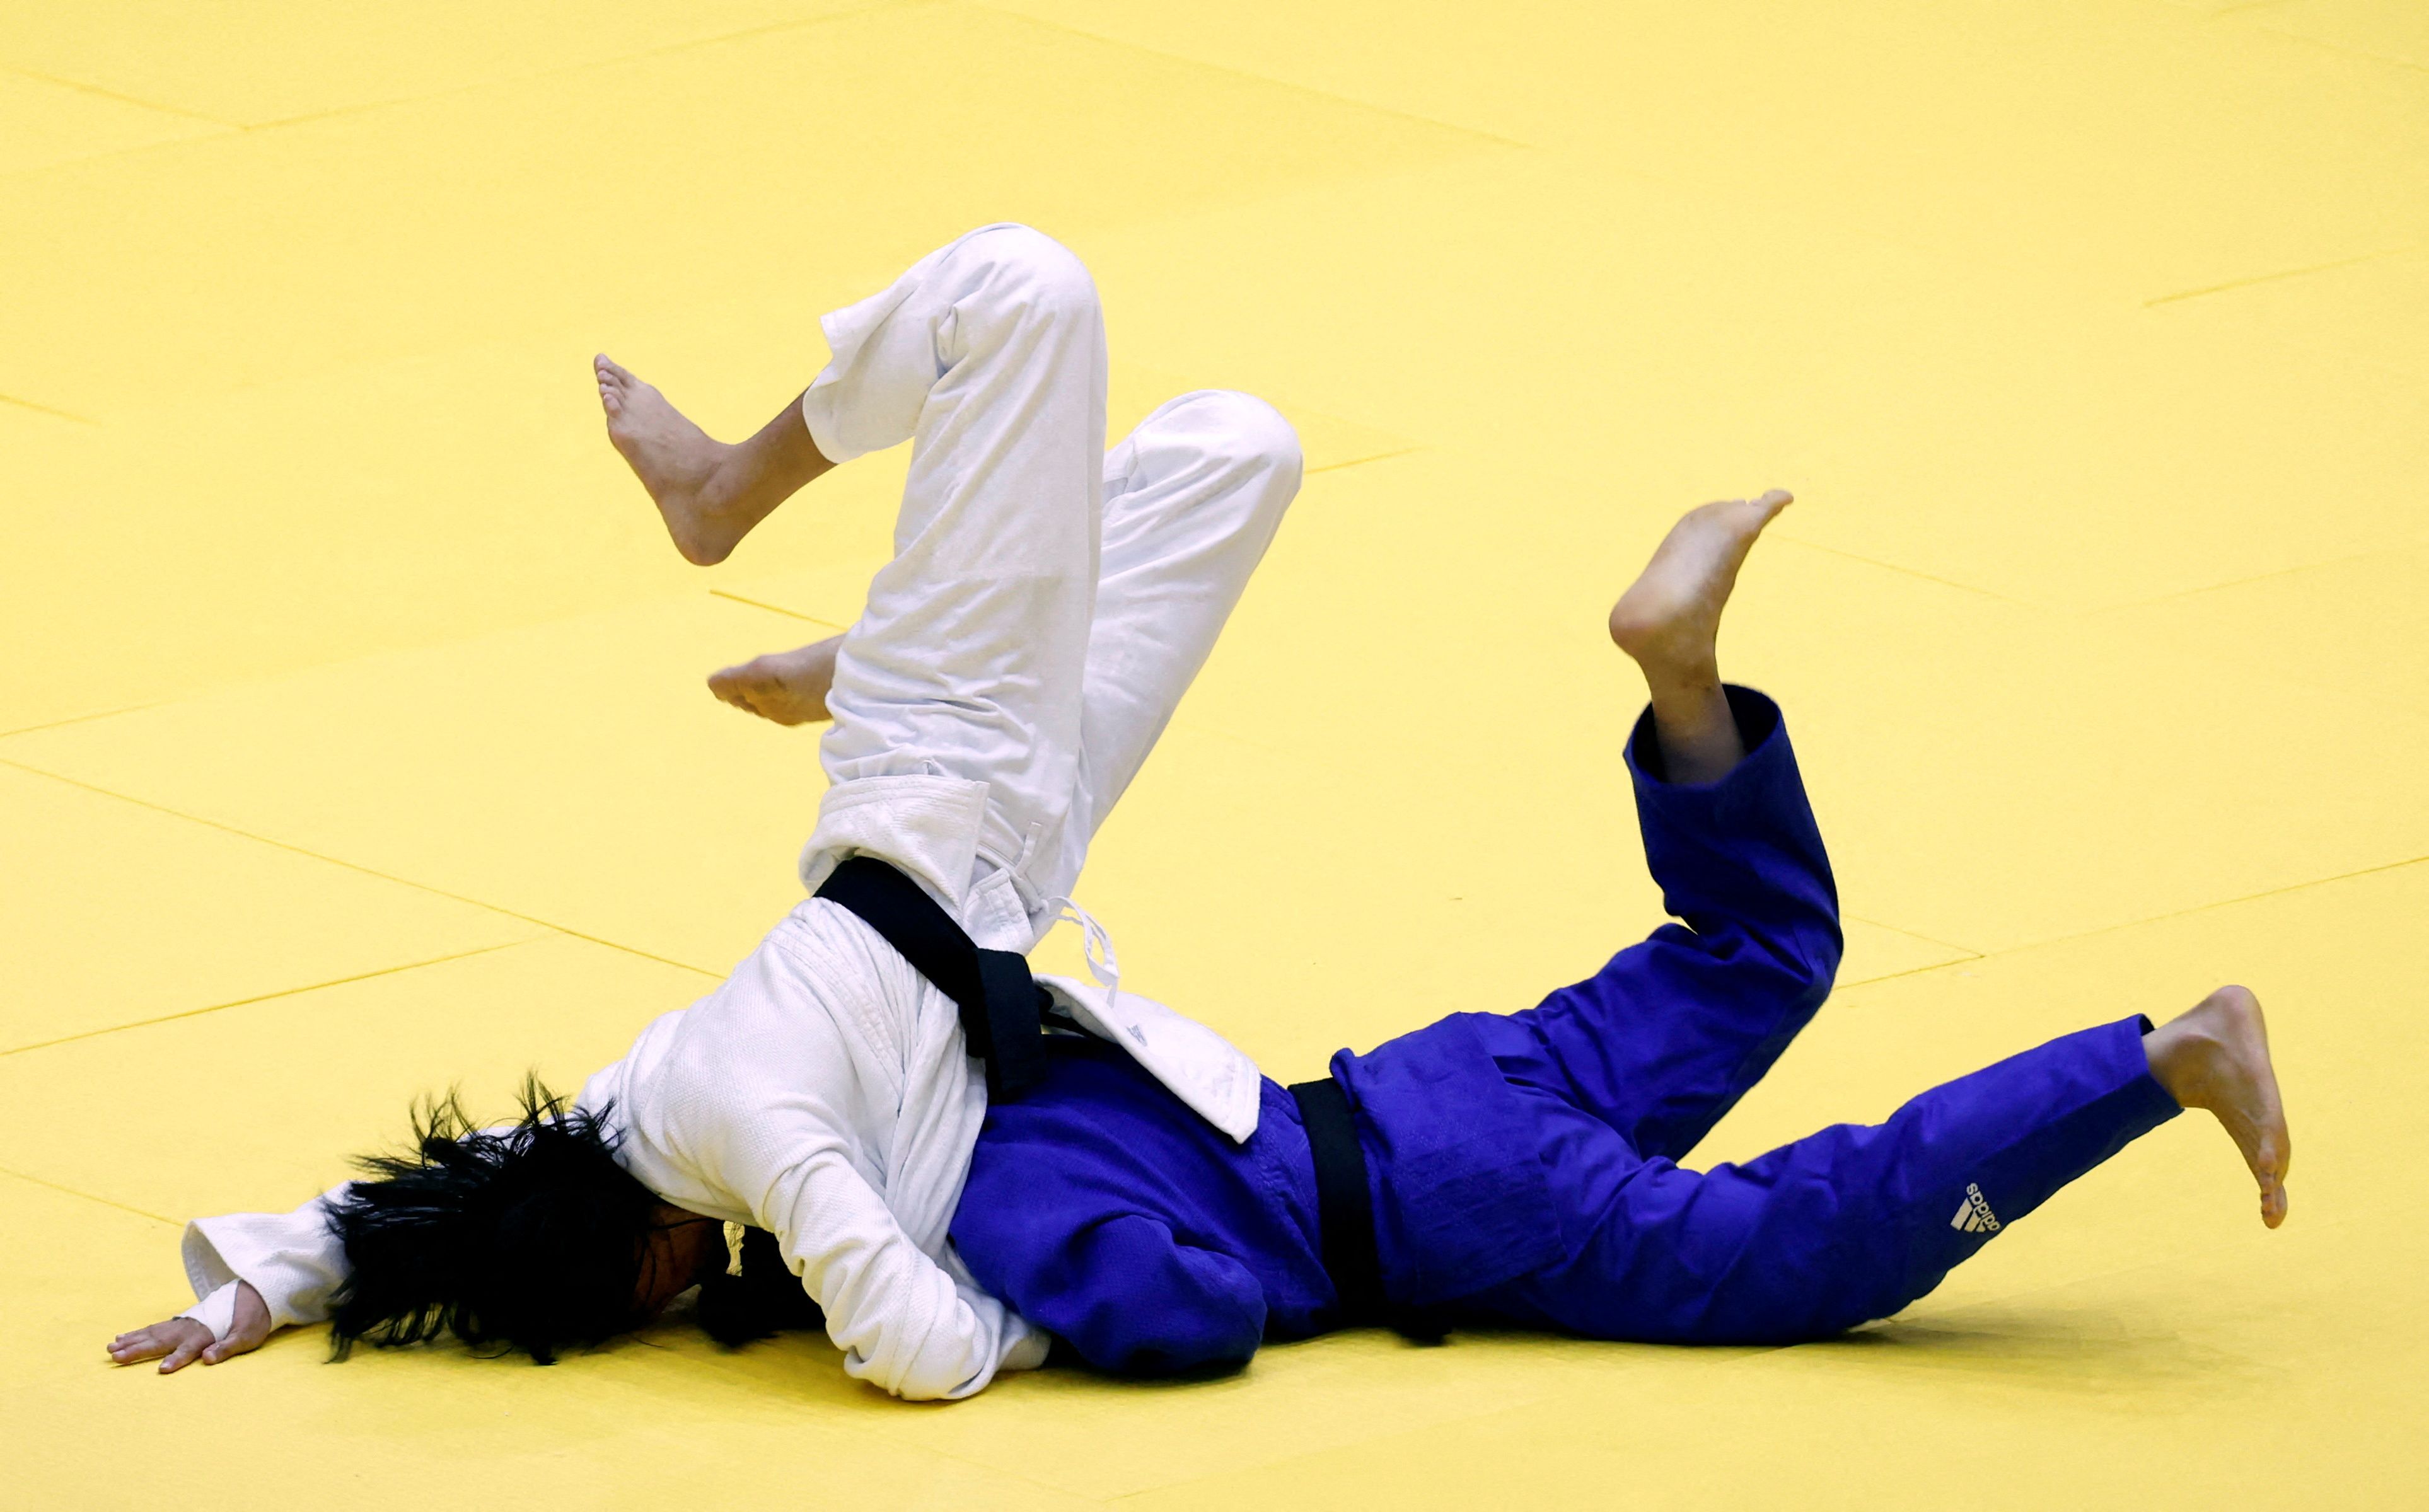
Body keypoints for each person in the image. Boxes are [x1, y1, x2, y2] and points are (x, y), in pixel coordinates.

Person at [111, 478, 2293, 1383]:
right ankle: (1681, 687)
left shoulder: (939, 1192)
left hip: (1451, 1215)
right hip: (1430, 1076)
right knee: (1753, 966)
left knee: (1796, 1260)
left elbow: (1173, 1325)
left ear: (664, 1252)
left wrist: (1013, 1330)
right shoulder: (777, 1084)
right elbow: (518, 1174)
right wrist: (281, 1280)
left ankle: (2154, 1059)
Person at [105, 223, 1305, 1397]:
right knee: (1238, 451)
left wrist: (1023, 1334)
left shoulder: (736, 1131)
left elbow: (923, 1355)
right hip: (1025, 848)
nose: (663, 1306)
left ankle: (725, 494)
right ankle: (878, 648)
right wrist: (250, 1295)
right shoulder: (629, 1120)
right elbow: (428, 1203)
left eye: (630, 1304)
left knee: (1015, 289)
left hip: (937, 777)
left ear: (635, 1267)